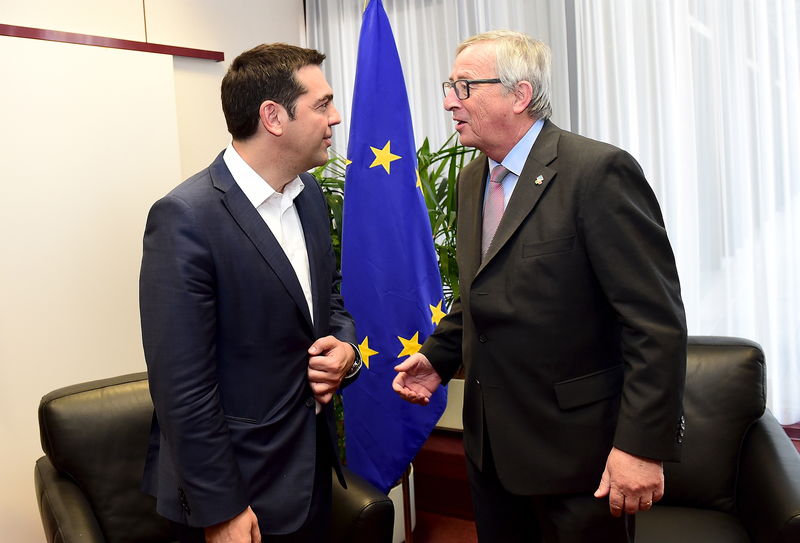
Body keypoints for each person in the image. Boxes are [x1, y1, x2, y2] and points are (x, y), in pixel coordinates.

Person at [393, 30, 686, 542]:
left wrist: (641, 447)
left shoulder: (597, 172)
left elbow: (653, 321)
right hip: (491, 453)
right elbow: (478, 291)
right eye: (449, 86)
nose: (447, 102)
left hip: (577, 459)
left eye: (463, 87)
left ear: (519, 94)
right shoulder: (472, 180)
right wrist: (439, 358)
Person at [139, 43, 363, 543]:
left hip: (309, 475)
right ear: (273, 117)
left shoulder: (310, 199)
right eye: (322, 104)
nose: (337, 117)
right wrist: (222, 509)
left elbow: (329, 301)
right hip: (240, 495)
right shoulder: (186, 219)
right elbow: (182, 388)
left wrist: (344, 349)